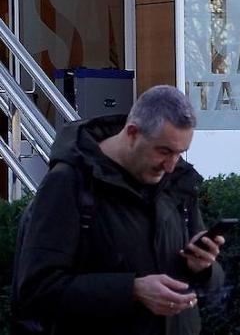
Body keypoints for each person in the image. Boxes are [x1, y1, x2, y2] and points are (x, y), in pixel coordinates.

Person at [12, 85, 224, 335]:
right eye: (164, 151)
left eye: (179, 153)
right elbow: (35, 290)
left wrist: (204, 267)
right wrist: (132, 290)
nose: (170, 165)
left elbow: (214, 281)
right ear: (132, 133)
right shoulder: (69, 183)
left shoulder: (177, 182)